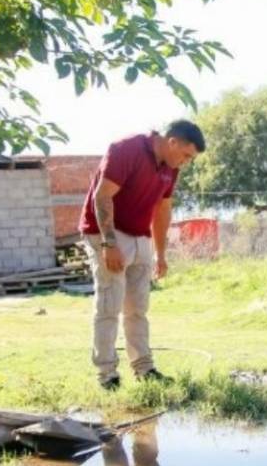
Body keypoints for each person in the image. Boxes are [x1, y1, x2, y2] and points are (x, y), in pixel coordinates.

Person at [80, 120, 205, 390]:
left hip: (140, 237)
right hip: (107, 232)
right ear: (172, 142)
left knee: (138, 308)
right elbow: (102, 198)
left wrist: (160, 254)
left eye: (190, 159)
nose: (186, 162)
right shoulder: (127, 149)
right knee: (109, 305)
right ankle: (107, 376)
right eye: (186, 155)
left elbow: (162, 211)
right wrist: (108, 244)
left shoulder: (171, 168)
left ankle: (144, 370)